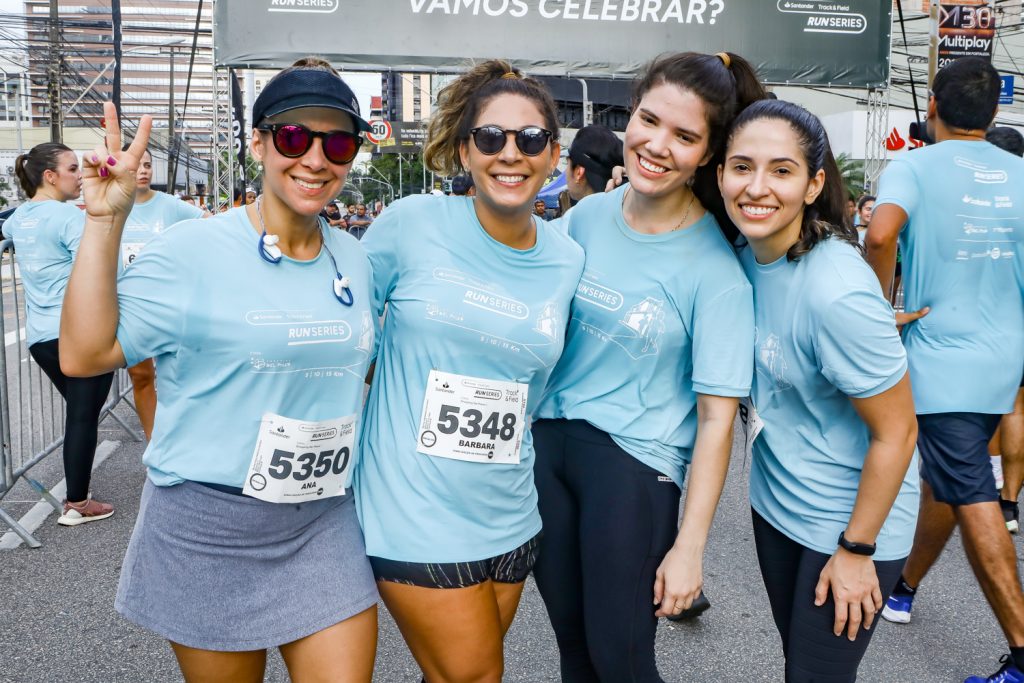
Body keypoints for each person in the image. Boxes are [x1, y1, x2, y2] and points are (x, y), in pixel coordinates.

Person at [61, 58, 380, 680]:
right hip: (209, 526)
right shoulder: (191, 250)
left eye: (336, 142)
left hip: (322, 517)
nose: (315, 159)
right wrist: (103, 221)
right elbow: (85, 354)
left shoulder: (356, 259)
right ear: (258, 144)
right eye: (293, 137)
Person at [531, 51, 762, 681]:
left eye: (684, 136)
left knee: (623, 660)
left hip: (634, 473)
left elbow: (718, 423)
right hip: (546, 454)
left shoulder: (718, 272)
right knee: (574, 654)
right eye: (648, 120)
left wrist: (689, 549)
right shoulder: (584, 218)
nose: (656, 146)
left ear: (709, 154)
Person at [355, 60, 584, 683]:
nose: (510, 153)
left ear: (552, 155)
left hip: (512, 513)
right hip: (414, 511)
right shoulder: (411, 224)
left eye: (530, 139)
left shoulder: (567, 259)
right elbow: (341, 326)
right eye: (491, 138)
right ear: (465, 150)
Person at [720, 98, 919, 682]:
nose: (757, 187)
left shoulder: (835, 291)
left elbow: (898, 430)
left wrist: (857, 551)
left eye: (782, 171)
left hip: (850, 522)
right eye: (742, 166)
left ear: (813, 185)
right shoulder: (741, 252)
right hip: (776, 504)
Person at [866, 57, 1024, 683]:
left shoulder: (912, 163)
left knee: (968, 487)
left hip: (942, 358)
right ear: (993, 114)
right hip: (1004, 359)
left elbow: (879, 236)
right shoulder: (1021, 172)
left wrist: (880, 308)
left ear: (932, 105)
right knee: (948, 477)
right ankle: (902, 588)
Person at [5, 142, 116, 526]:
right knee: (83, 416)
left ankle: (77, 495)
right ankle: (77, 503)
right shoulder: (68, 218)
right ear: (49, 176)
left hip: (42, 339)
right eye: (72, 169)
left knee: (80, 413)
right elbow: (97, 272)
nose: (79, 177)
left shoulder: (19, 219)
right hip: (80, 332)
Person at [121, 145, 206, 440]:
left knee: (181, 375)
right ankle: (153, 444)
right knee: (142, 378)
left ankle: (187, 437)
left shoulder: (170, 205)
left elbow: (210, 226)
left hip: (172, 305)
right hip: (130, 307)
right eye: (136, 166)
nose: (142, 171)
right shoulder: (114, 207)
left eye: (146, 165)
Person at [983, 125, 1024, 534]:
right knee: (1016, 408)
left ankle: (984, 484)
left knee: (986, 406)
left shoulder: (981, 200)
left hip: (987, 318)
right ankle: (1009, 503)